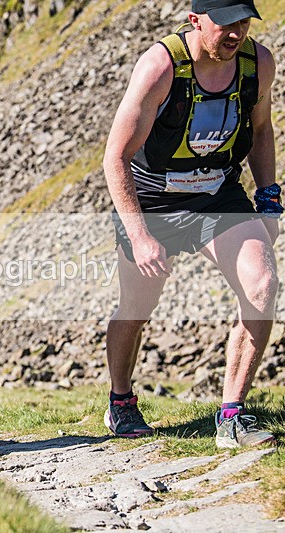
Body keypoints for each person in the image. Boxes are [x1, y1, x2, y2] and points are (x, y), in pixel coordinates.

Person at [103, 0, 279, 448]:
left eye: (244, 22)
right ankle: (120, 401)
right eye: (226, 24)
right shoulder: (160, 67)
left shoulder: (257, 64)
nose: (236, 33)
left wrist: (269, 196)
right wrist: (140, 236)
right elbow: (115, 158)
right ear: (196, 19)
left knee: (261, 285)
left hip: (217, 193)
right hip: (152, 197)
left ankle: (232, 416)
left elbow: (260, 130)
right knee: (137, 308)